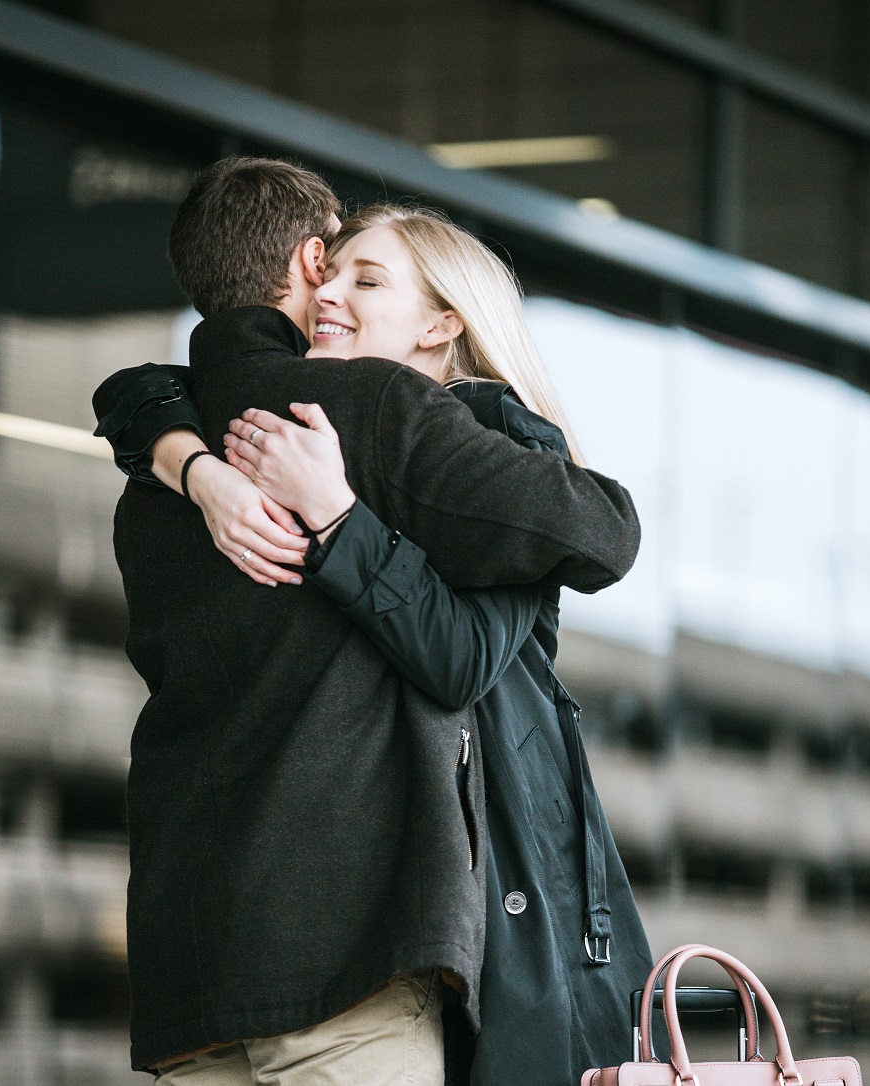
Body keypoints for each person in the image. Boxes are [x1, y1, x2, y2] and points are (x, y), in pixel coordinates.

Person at [97, 157, 642, 1085]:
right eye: (336, 268)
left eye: (369, 279)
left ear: (442, 322)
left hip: (189, 954)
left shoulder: (159, 471)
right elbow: (602, 534)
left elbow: (468, 647)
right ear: (307, 261)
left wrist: (240, 482)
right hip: (345, 950)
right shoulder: (366, 413)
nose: (335, 295)